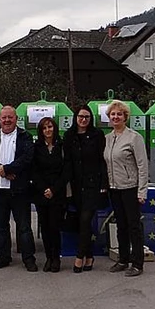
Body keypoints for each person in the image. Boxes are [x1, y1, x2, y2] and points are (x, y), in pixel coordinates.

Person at [0, 105, 36, 271]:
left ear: (16, 119)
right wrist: (1, 170)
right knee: (1, 227)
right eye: (4, 118)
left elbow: (27, 158)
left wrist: (9, 169)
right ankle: (3, 257)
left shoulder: (24, 136)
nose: (6, 120)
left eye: (10, 117)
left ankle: (29, 259)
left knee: (24, 227)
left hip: (19, 190)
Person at [104, 100, 149, 277]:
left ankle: (137, 263)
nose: (116, 117)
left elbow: (142, 166)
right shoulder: (107, 139)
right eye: (113, 114)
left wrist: (142, 191)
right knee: (120, 226)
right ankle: (123, 259)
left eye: (119, 114)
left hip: (130, 187)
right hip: (114, 188)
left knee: (133, 226)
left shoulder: (134, 137)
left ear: (125, 117)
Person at [63, 105, 108, 274]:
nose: (83, 120)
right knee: (83, 223)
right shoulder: (69, 136)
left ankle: (79, 256)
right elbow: (67, 162)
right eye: (81, 116)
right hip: (75, 186)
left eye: (87, 117)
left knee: (85, 219)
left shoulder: (97, 135)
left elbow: (102, 160)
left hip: (93, 185)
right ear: (76, 118)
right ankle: (89, 256)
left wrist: (104, 184)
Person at [31, 116, 67, 273]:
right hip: (41, 193)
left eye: (50, 127)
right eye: (44, 128)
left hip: (57, 193)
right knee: (44, 227)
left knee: (55, 227)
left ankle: (56, 258)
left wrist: (54, 189)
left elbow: (66, 171)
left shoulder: (62, 145)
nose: (48, 130)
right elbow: (34, 170)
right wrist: (44, 189)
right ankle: (48, 258)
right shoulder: (36, 147)